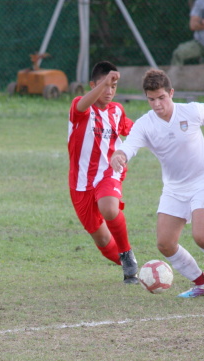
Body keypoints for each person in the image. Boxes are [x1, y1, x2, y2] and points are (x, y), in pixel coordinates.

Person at [110, 68, 204, 298]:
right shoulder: (145, 124)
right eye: (151, 99)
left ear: (171, 93)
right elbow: (129, 146)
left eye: (161, 97)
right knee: (165, 243)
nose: (157, 104)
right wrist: (119, 155)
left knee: (202, 237)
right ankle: (202, 284)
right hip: (174, 188)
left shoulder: (191, 111)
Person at [67, 60, 138, 284]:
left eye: (113, 87)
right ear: (93, 85)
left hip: (109, 172)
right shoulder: (81, 107)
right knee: (104, 242)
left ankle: (126, 253)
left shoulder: (117, 111)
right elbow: (82, 105)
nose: (109, 91)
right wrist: (104, 82)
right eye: (105, 86)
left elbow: (136, 130)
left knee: (109, 208)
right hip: (80, 183)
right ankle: (134, 269)